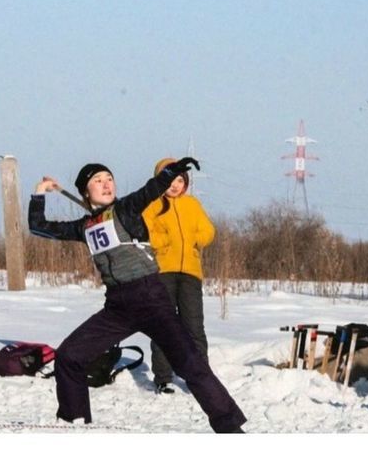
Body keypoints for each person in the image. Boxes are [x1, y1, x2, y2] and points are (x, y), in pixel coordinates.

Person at [28, 158, 246, 433]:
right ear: (86, 191)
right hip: (117, 308)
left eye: (109, 178)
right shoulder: (84, 227)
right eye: (98, 180)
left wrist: (173, 170)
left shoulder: (126, 209)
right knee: (69, 356)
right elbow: (38, 227)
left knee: (192, 365)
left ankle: (231, 429)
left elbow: (151, 189)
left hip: (152, 299)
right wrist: (39, 193)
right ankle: (75, 423)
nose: (106, 184)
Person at [142, 157, 215, 395]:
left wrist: (197, 239)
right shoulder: (152, 204)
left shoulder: (192, 204)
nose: (175, 185)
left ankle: (200, 377)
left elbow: (208, 230)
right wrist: (164, 242)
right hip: (162, 271)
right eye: (170, 179)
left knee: (194, 326)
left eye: (180, 180)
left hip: (191, 274)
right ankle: (163, 377)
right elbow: (146, 233)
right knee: (164, 325)